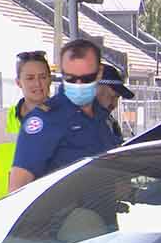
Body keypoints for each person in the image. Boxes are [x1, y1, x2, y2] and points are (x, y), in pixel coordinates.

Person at [8, 39, 116, 193]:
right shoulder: (45, 120)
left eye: (86, 78)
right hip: (64, 216)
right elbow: (17, 188)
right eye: (71, 78)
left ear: (99, 73)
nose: (78, 84)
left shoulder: (103, 118)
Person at [0, 50, 52, 200]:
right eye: (30, 78)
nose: (37, 84)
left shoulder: (65, 118)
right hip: (9, 209)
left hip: (52, 208)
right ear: (18, 82)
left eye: (43, 77)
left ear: (50, 79)